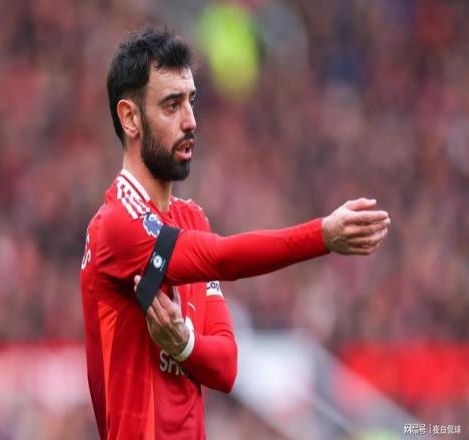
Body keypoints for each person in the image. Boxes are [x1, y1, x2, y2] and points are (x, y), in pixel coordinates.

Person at [80, 27, 390, 439]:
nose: (190, 121)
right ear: (130, 118)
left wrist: (185, 344)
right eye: (171, 105)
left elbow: (226, 366)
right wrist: (322, 235)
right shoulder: (116, 223)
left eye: (191, 102)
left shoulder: (192, 220)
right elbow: (221, 258)